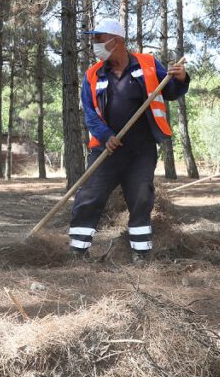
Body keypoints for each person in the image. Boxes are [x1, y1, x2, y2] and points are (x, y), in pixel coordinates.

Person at [68, 17, 189, 263]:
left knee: (141, 197)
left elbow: (170, 92)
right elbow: (90, 114)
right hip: (106, 150)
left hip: (141, 150)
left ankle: (140, 253)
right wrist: (105, 136)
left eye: (99, 38)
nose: (95, 44)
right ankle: (77, 252)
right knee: (89, 196)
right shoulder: (93, 74)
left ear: (116, 40)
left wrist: (180, 78)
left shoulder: (148, 64)